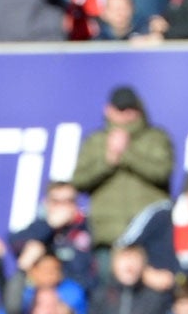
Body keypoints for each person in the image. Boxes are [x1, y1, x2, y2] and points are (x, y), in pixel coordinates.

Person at [72, 88, 175, 253]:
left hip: (149, 233)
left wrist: (125, 153)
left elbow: (162, 172)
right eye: (120, 109)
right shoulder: (95, 140)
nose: (125, 115)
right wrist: (107, 162)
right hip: (108, 234)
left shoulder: (155, 137)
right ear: (108, 110)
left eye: (129, 109)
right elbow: (78, 180)